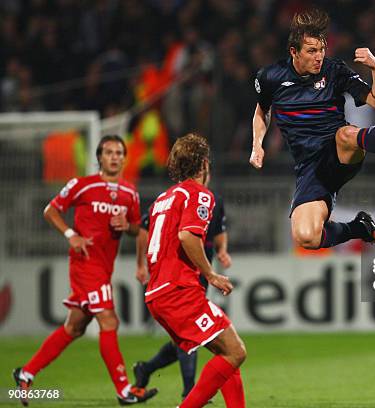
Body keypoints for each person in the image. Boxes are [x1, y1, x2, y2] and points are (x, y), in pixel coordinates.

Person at [250, 8, 375, 252]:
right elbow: (261, 111)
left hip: (340, 150)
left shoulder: (334, 71)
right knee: (306, 237)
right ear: (294, 52)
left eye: (321, 50)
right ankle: (359, 228)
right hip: (310, 169)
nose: (319, 56)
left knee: (345, 134)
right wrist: (257, 144)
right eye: (311, 51)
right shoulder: (270, 77)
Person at [13, 135, 158, 406]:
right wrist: (71, 234)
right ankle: (124, 390)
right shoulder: (82, 186)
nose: (115, 157)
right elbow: (50, 210)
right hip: (85, 263)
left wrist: (127, 228)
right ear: (99, 157)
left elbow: (139, 230)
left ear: (125, 158)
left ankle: (26, 373)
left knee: (75, 326)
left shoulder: (130, 192)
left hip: (104, 267)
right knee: (109, 320)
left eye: (119, 153)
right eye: (109, 152)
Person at [144, 133, 245, 408]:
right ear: (203, 164)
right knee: (236, 351)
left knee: (226, 353)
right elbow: (187, 236)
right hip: (178, 291)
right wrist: (210, 274)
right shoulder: (199, 194)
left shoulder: (162, 199)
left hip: (157, 292)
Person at [133, 170, 232, 399]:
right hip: (183, 274)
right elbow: (145, 230)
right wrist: (140, 264)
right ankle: (190, 392)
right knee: (203, 338)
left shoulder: (209, 199)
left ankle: (146, 368)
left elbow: (219, 232)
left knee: (190, 336)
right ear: (203, 167)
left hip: (197, 271)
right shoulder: (179, 199)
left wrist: (222, 251)